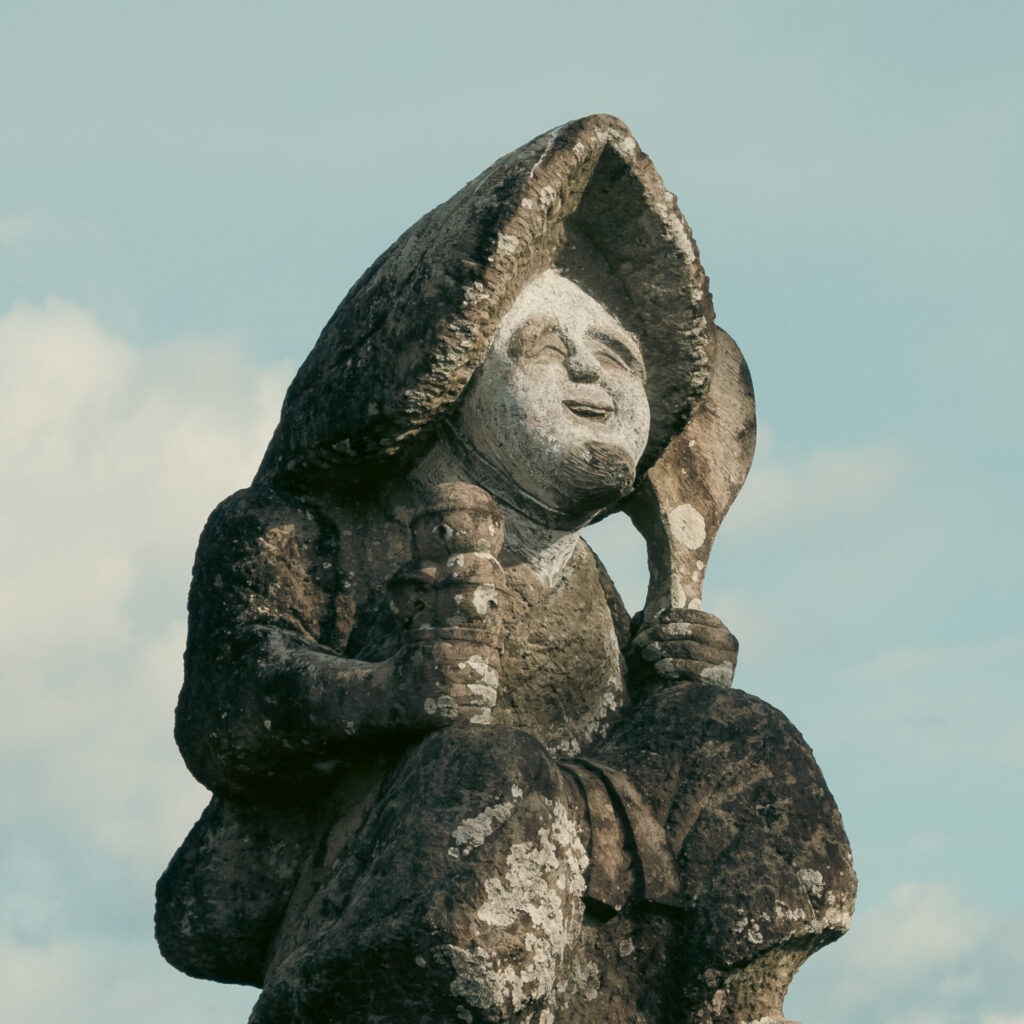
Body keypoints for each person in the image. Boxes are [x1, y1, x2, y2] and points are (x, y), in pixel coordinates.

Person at [157, 115, 855, 1024]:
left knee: (740, 737)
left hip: (595, 883)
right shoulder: (299, 531)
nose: (591, 374)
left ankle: (732, 1001)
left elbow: (615, 733)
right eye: (545, 348)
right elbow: (233, 706)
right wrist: (389, 690)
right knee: (489, 767)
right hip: (391, 872)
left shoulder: (597, 587)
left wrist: (669, 687)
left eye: (618, 355)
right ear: (447, 384)